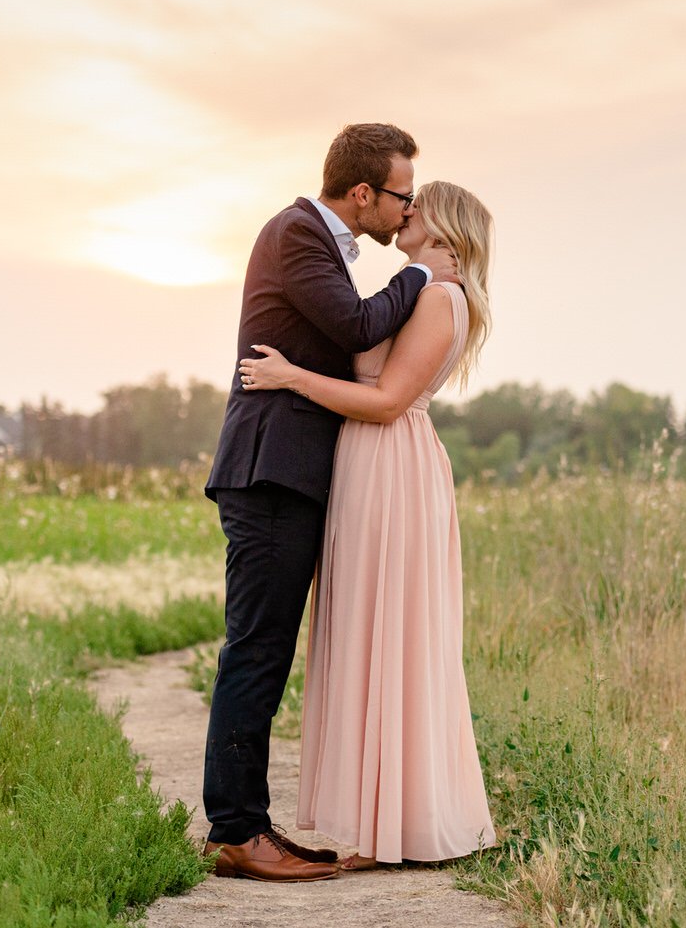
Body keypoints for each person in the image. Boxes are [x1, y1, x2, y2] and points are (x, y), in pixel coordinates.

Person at [201, 123, 460, 883]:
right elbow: (353, 325)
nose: (405, 210)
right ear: (363, 193)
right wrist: (424, 275)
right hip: (271, 471)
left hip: (291, 472)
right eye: (401, 196)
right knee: (256, 646)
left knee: (268, 647)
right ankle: (237, 832)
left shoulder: (317, 239)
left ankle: (247, 823)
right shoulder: (296, 234)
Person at [238, 180, 496, 870]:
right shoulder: (419, 290)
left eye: (418, 204)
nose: (405, 211)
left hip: (389, 465)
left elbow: (385, 400)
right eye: (403, 197)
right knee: (367, 631)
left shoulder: (441, 297)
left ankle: (397, 826)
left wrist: (292, 378)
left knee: (390, 635)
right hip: (366, 466)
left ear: (443, 227)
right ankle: (381, 820)